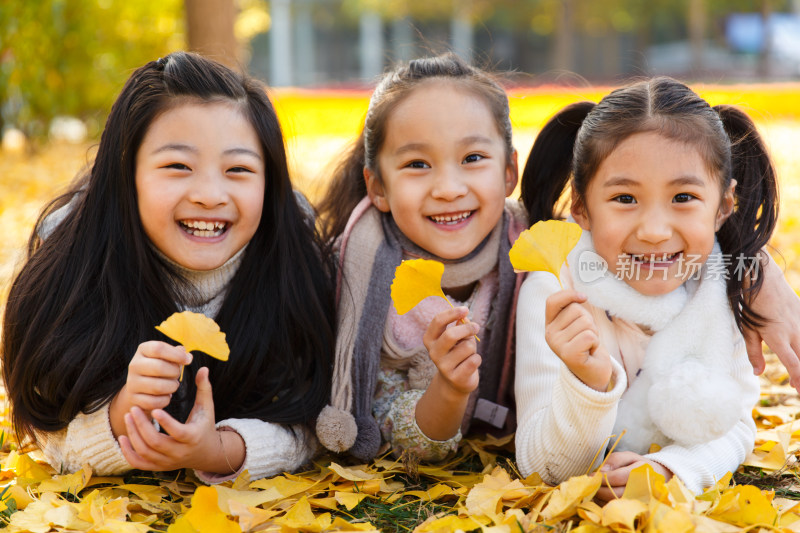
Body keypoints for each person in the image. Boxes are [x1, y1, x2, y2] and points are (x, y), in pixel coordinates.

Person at [1, 52, 335, 483]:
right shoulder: (75, 266)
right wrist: (123, 415)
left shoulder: (292, 262)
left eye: (238, 169)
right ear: (125, 175)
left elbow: (310, 416)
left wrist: (219, 451)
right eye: (178, 166)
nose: (210, 194)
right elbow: (51, 426)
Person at [514, 77, 780, 498]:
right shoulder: (556, 286)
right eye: (624, 198)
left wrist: (671, 470)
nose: (655, 231)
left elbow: (733, 427)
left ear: (723, 205)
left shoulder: (719, 289)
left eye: (683, 197)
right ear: (581, 207)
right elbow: (538, 464)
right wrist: (589, 384)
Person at [314, 53, 528, 462]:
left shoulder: (532, 254)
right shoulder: (363, 275)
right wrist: (447, 390)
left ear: (508, 172)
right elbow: (395, 433)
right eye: (417, 164)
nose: (448, 188)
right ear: (377, 186)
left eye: (472, 158)